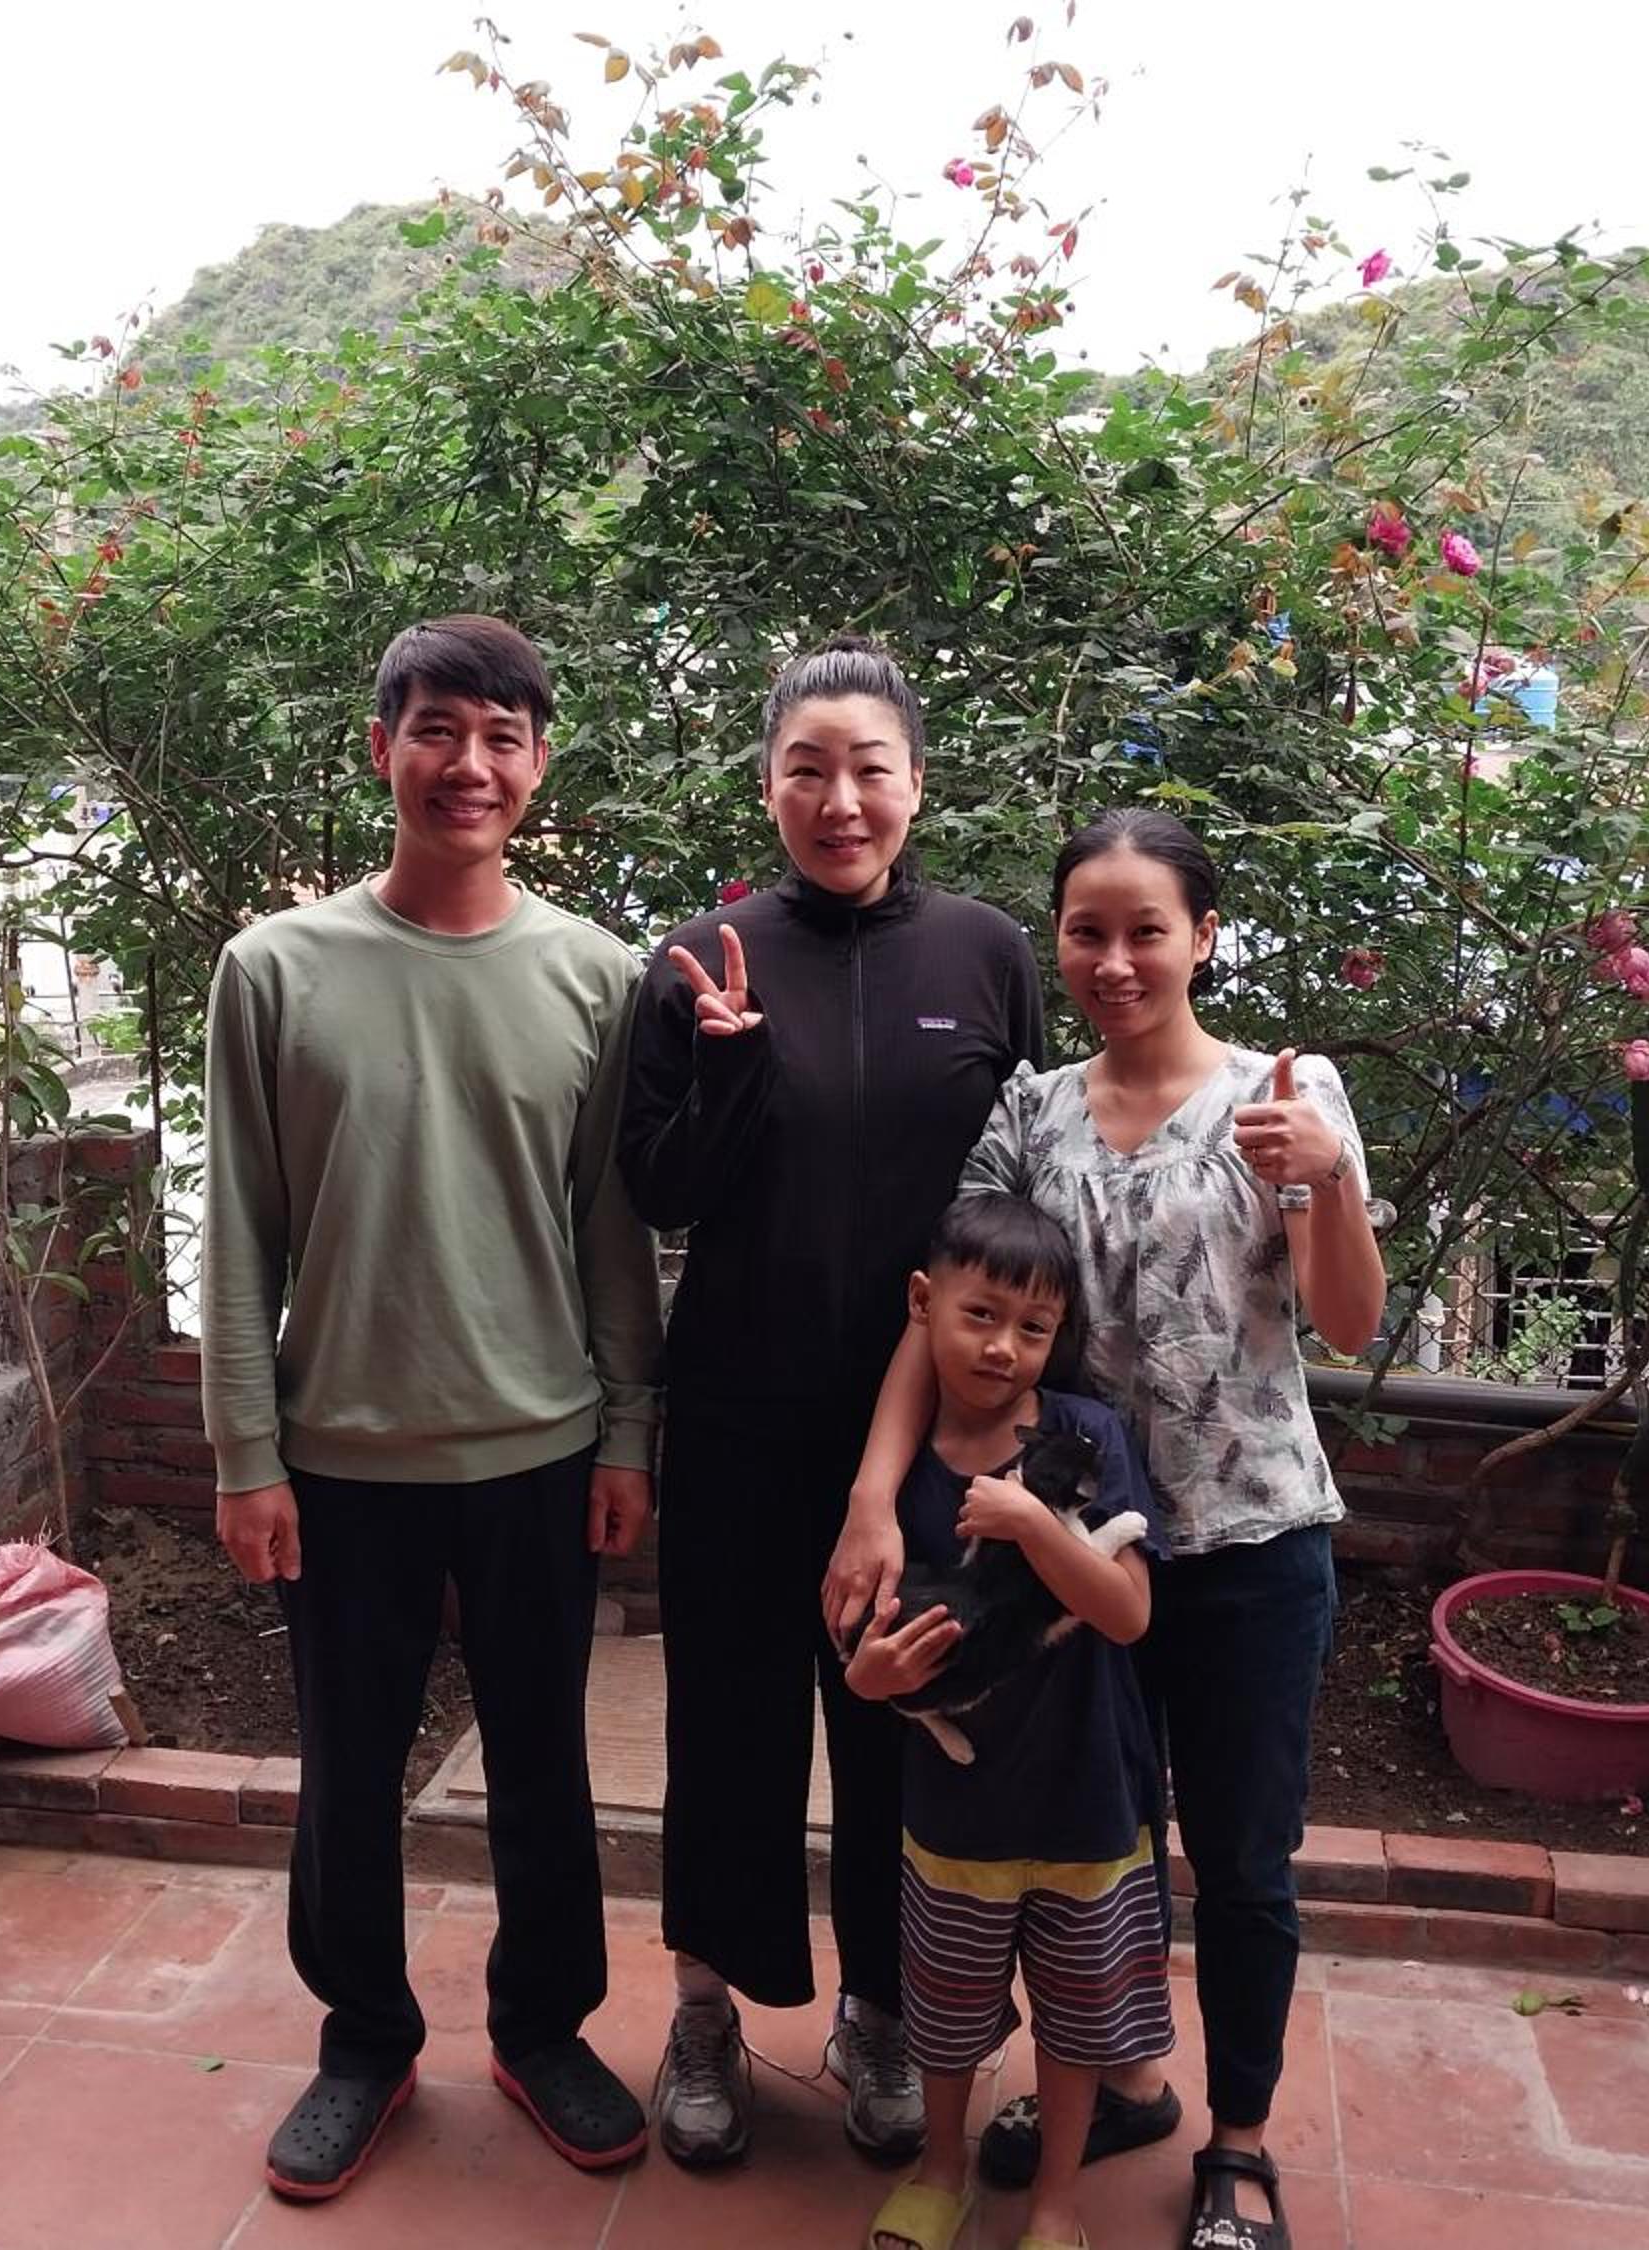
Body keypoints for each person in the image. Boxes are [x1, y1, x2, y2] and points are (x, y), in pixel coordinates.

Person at [829, 807, 1387, 2250]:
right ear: (1060, 940)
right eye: (1089, 931)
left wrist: (1323, 1171)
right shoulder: (1031, 1112)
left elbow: (1347, 1321)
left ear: (1205, 936)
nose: (1117, 960)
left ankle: (1240, 2143)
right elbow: (946, 1311)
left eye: (1149, 930)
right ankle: (1129, 2082)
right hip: (1071, 1552)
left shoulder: (1281, 1092)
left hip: (1249, 1545)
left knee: (1244, 1857)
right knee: (1103, 1843)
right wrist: (874, 1498)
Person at [201, 615, 662, 2202]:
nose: (470, 764)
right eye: (438, 729)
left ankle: (543, 2027)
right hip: (338, 1457)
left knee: (543, 1760)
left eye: (502, 736)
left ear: (540, 763)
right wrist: (245, 1453)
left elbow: (611, 1230)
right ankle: (364, 2039)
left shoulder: (596, 974)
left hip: (539, 1446)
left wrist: (626, 1430)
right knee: (349, 1765)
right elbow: (240, 1231)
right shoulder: (275, 969)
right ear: (382, 746)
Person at [620, 636, 1049, 2168]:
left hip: (930, 1444)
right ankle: (703, 2008)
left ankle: (884, 2008)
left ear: (916, 781)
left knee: (901, 1727)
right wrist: (728, 1073)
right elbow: (655, 1187)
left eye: (870, 767)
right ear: (767, 786)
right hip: (740, 1425)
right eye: (807, 768)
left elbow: (1024, 1203)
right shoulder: (700, 959)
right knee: (728, 1722)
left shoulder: (988, 955)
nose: (840, 799)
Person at [842, 1195, 1169, 2250]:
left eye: (1033, 1327)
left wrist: (1032, 1520)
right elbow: (857, 1637)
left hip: (1085, 1796)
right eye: (980, 1315)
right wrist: (871, 1682)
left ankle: (1056, 2204)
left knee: (1076, 2020)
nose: (1003, 1348)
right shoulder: (895, 1474)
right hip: (956, 1811)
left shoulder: (1085, 1436)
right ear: (923, 1303)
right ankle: (941, 2169)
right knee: (944, 2014)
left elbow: (1126, 1612)